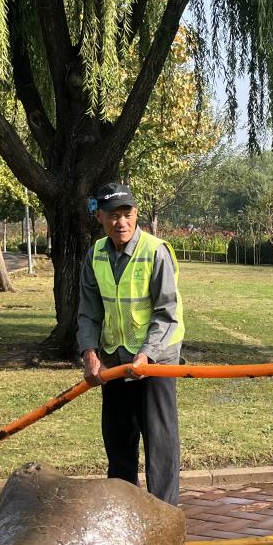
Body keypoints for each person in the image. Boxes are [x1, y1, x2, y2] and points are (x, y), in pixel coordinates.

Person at [77, 182, 185, 505]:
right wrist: (90, 355)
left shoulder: (155, 252)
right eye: (113, 215)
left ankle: (164, 518)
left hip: (157, 362)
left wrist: (146, 355)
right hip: (115, 364)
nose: (121, 222)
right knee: (119, 446)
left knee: (160, 448)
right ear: (100, 218)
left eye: (127, 213)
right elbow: (88, 312)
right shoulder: (95, 255)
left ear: (136, 214)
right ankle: (125, 515)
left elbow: (167, 313)